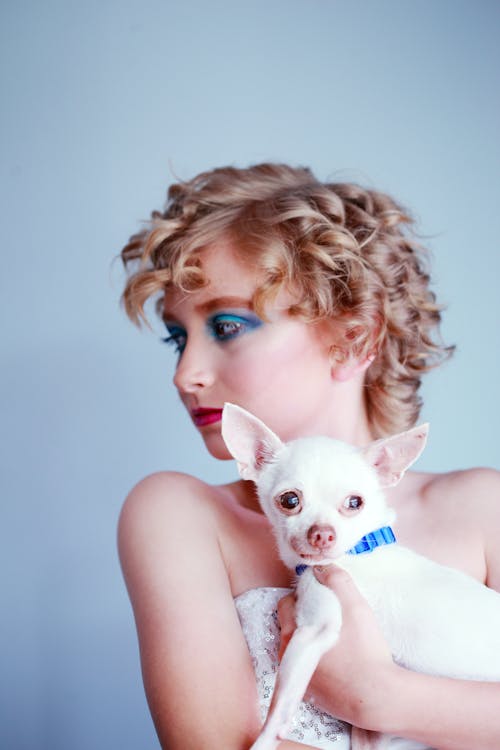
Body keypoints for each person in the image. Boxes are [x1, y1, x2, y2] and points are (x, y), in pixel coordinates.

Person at [118, 163, 500, 750]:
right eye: (178, 337)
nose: (185, 374)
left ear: (355, 338)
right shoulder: (177, 516)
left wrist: (376, 695)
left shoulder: (482, 509)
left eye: (226, 326)